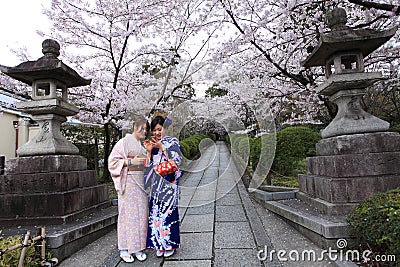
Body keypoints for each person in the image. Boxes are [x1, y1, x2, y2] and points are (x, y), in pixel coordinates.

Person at [108, 116, 149, 263]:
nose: (144, 131)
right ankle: (124, 248)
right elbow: (112, 161)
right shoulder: (124, 142)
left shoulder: (141, 144)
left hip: (140, 182)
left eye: (146, 129)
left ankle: (138, 247)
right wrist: (130, 161)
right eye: (142, 128)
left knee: (141, 214)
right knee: (128, 215)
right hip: (128, 181)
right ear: (134, 127)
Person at [144, 115, 182, 258]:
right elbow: (148, 167)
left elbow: (178, 161)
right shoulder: (153, 143)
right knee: (155, 214)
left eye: (159, 129)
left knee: (168, 214)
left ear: (165, 128)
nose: (157, 133)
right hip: (156, 184)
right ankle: (159, 244)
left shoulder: (172, 142)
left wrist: (163, 148)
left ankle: (169, 245)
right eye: (154, 130)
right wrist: (149, 151)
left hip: (169, 183)